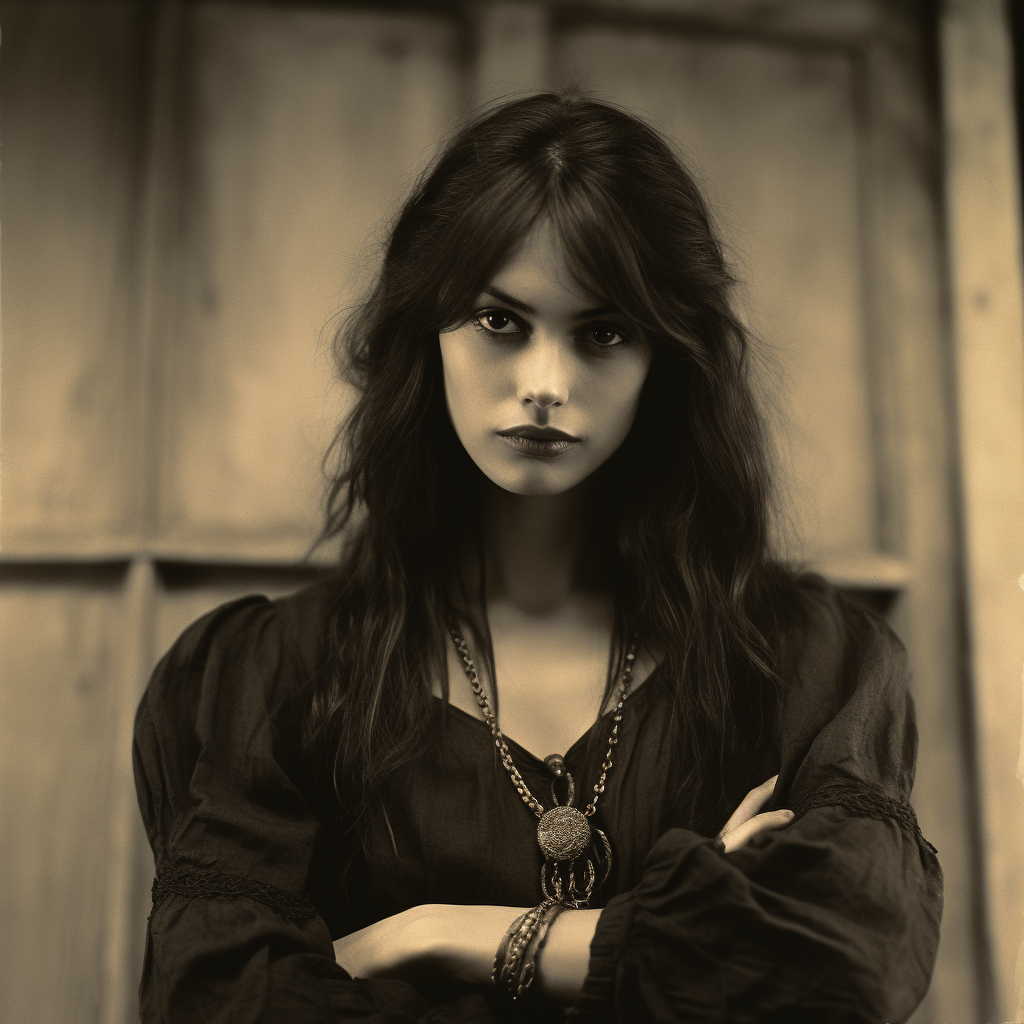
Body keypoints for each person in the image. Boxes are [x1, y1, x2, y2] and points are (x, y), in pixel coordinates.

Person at [133, 91, 943, 1023]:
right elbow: (221, 999)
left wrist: (429, 934)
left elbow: (844, 960)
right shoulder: (269, 679)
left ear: (666, 358)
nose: (546, 385)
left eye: (603, 332)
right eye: (500, 321)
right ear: (425, 331)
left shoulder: (807, 662)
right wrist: (676, 944)